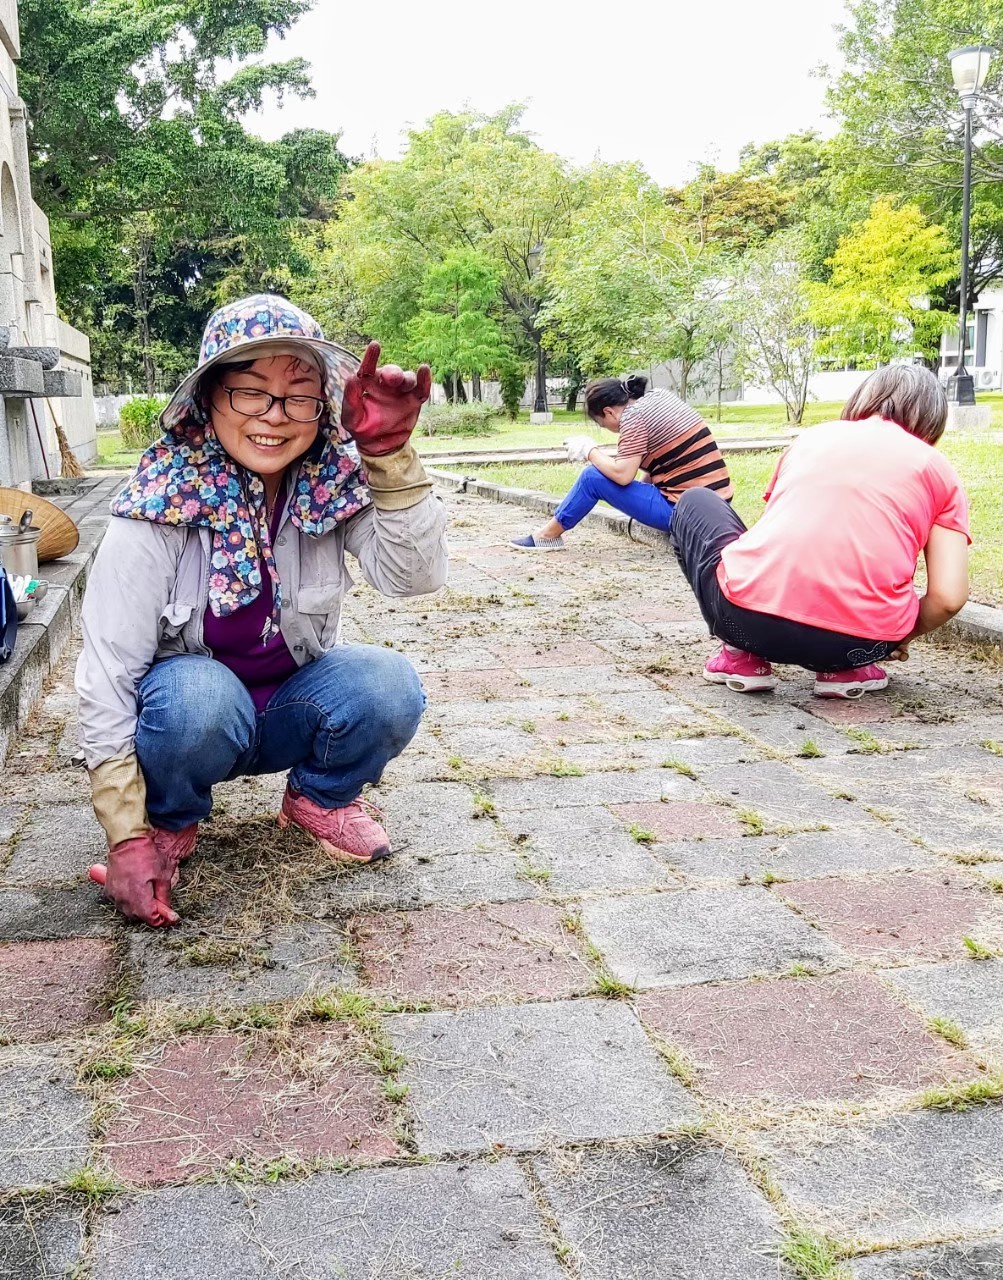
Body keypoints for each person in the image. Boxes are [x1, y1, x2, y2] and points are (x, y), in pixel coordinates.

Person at [77, 294, 448, 927]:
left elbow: (413, 577)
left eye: (299, 394)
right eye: (251, 392)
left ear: (324, 405)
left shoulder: (331, 482)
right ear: (209, 399)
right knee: (196, 696)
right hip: (190, 722)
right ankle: (171, 819)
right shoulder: (157, 504)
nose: (275, 418)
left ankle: (319, 799)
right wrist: (126, 835)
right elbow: (107, 674)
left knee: (391, 686)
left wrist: (388, 457)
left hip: (287, 704)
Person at [669, 365, 970, 699]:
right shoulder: (939, 470)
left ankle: (741, 656)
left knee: (696, 500)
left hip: (747, 623)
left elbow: (780, 537)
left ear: (864, 398)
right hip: (861, 644)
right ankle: (845, 671)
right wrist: (899, 637)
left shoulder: (813, 438)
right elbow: (947, 597)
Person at [510, 377, 733, 550]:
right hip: (718, 506)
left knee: (591, 478)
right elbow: (659, 463)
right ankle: (549, 533)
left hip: (687, 514)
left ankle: (547, 536)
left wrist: (590, 451)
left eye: (604, 424)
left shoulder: (633, 418)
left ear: (609, 412)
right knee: (603, 476)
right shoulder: (659, 397)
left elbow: (623, 475)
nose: (611, 430)